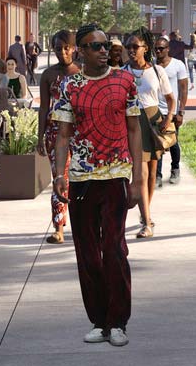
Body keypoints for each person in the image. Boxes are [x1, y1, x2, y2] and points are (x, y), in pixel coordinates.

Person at [50, 27, 137, 347]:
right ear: (81, 52)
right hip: (82, 179)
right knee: (88, 254)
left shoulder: (125, 81)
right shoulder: (69, 86)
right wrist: (60, 176)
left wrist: (138, 179)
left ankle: (118, 321)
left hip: (115, 176)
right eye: (95, 46)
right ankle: (99, 321)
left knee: (113, 249)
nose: (104, 51)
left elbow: (134, 130)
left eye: (106, 45)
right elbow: (62, 135)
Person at [125, 33, 175, 238]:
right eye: (128, 46)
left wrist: (168, 118)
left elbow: (171, 99)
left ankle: (146, 213)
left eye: (135, 46)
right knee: (141, 174)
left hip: (153, 121)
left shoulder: (157, 71)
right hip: (132, 122)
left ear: (145, 48)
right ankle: (146, 223)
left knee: (153, 174)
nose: (131, 50)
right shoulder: (122, 72)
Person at [40, 30, 78, 243]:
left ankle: (82, 224)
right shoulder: (48, 74)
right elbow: (44, 107)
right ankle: (59, 228)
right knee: (59, 178)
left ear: (73, 48)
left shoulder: (82, 71)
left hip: (80, 132)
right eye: (57, 49)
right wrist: (39, 137)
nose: (62, 53)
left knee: (81, 179)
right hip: (54, 132)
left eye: (66, 48)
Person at [155, 36, 189, 185]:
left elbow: (184, 89)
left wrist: (181, 112)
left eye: (161, 48)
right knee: (158, 144)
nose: (158, 51)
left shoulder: (178, 65)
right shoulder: (151, 66)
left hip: (172, 111)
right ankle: (157, 175)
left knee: (173, 142)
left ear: (167, 49)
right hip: (155, 111)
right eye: (156, 48)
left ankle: (175, 169)